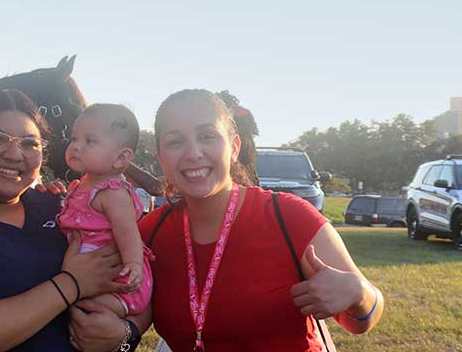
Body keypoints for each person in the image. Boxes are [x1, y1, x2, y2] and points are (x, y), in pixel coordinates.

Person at [0, 89, 150, 352]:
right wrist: (72, 283)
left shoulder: (60, 206)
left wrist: (124, 334)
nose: (14, 154)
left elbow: (140, 283)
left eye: (30, 143)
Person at [139, 89, 384, 351]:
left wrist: (358, 292)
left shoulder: (290, 217)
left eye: (207, 136)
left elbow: (362, 321)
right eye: (176, 142)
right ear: (161, 157)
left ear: (234, 147)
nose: (193, 153)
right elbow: (127, 317)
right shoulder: (149, 233)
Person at [56, 104, 153, 319]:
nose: (76, 147)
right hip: (85, 271)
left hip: (115, 278)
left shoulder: (112, 193)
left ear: (120, 158)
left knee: (81, 309)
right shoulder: (81, 185)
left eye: (89, 141)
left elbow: (128, 234)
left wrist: (134, 265)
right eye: (74, 139)